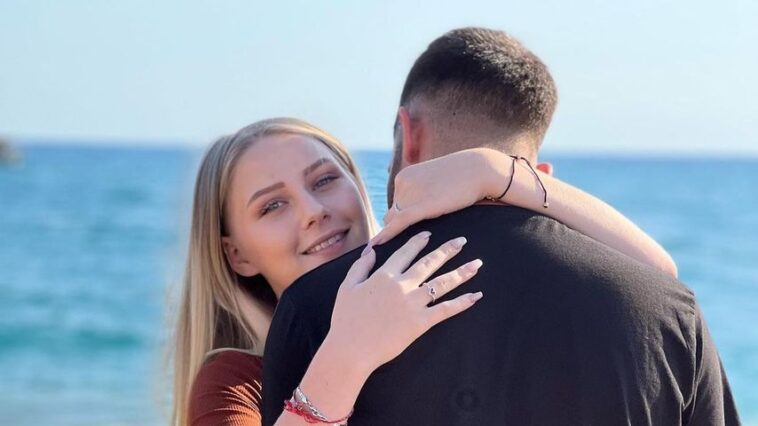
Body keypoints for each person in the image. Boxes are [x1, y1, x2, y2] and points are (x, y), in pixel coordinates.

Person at [262, 28, 740, 425]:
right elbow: (663, 272)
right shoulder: (669, 313)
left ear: (410, 136)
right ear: (541, 177)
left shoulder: (317, 308)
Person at [171, 115, 680, 426]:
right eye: (272, 206)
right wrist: (347, 356)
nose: (313, 210)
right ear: (236, 255)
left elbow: (658, 275)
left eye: (325, 180)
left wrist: (494, 172)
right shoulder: (236, 382)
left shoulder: (442, 304)